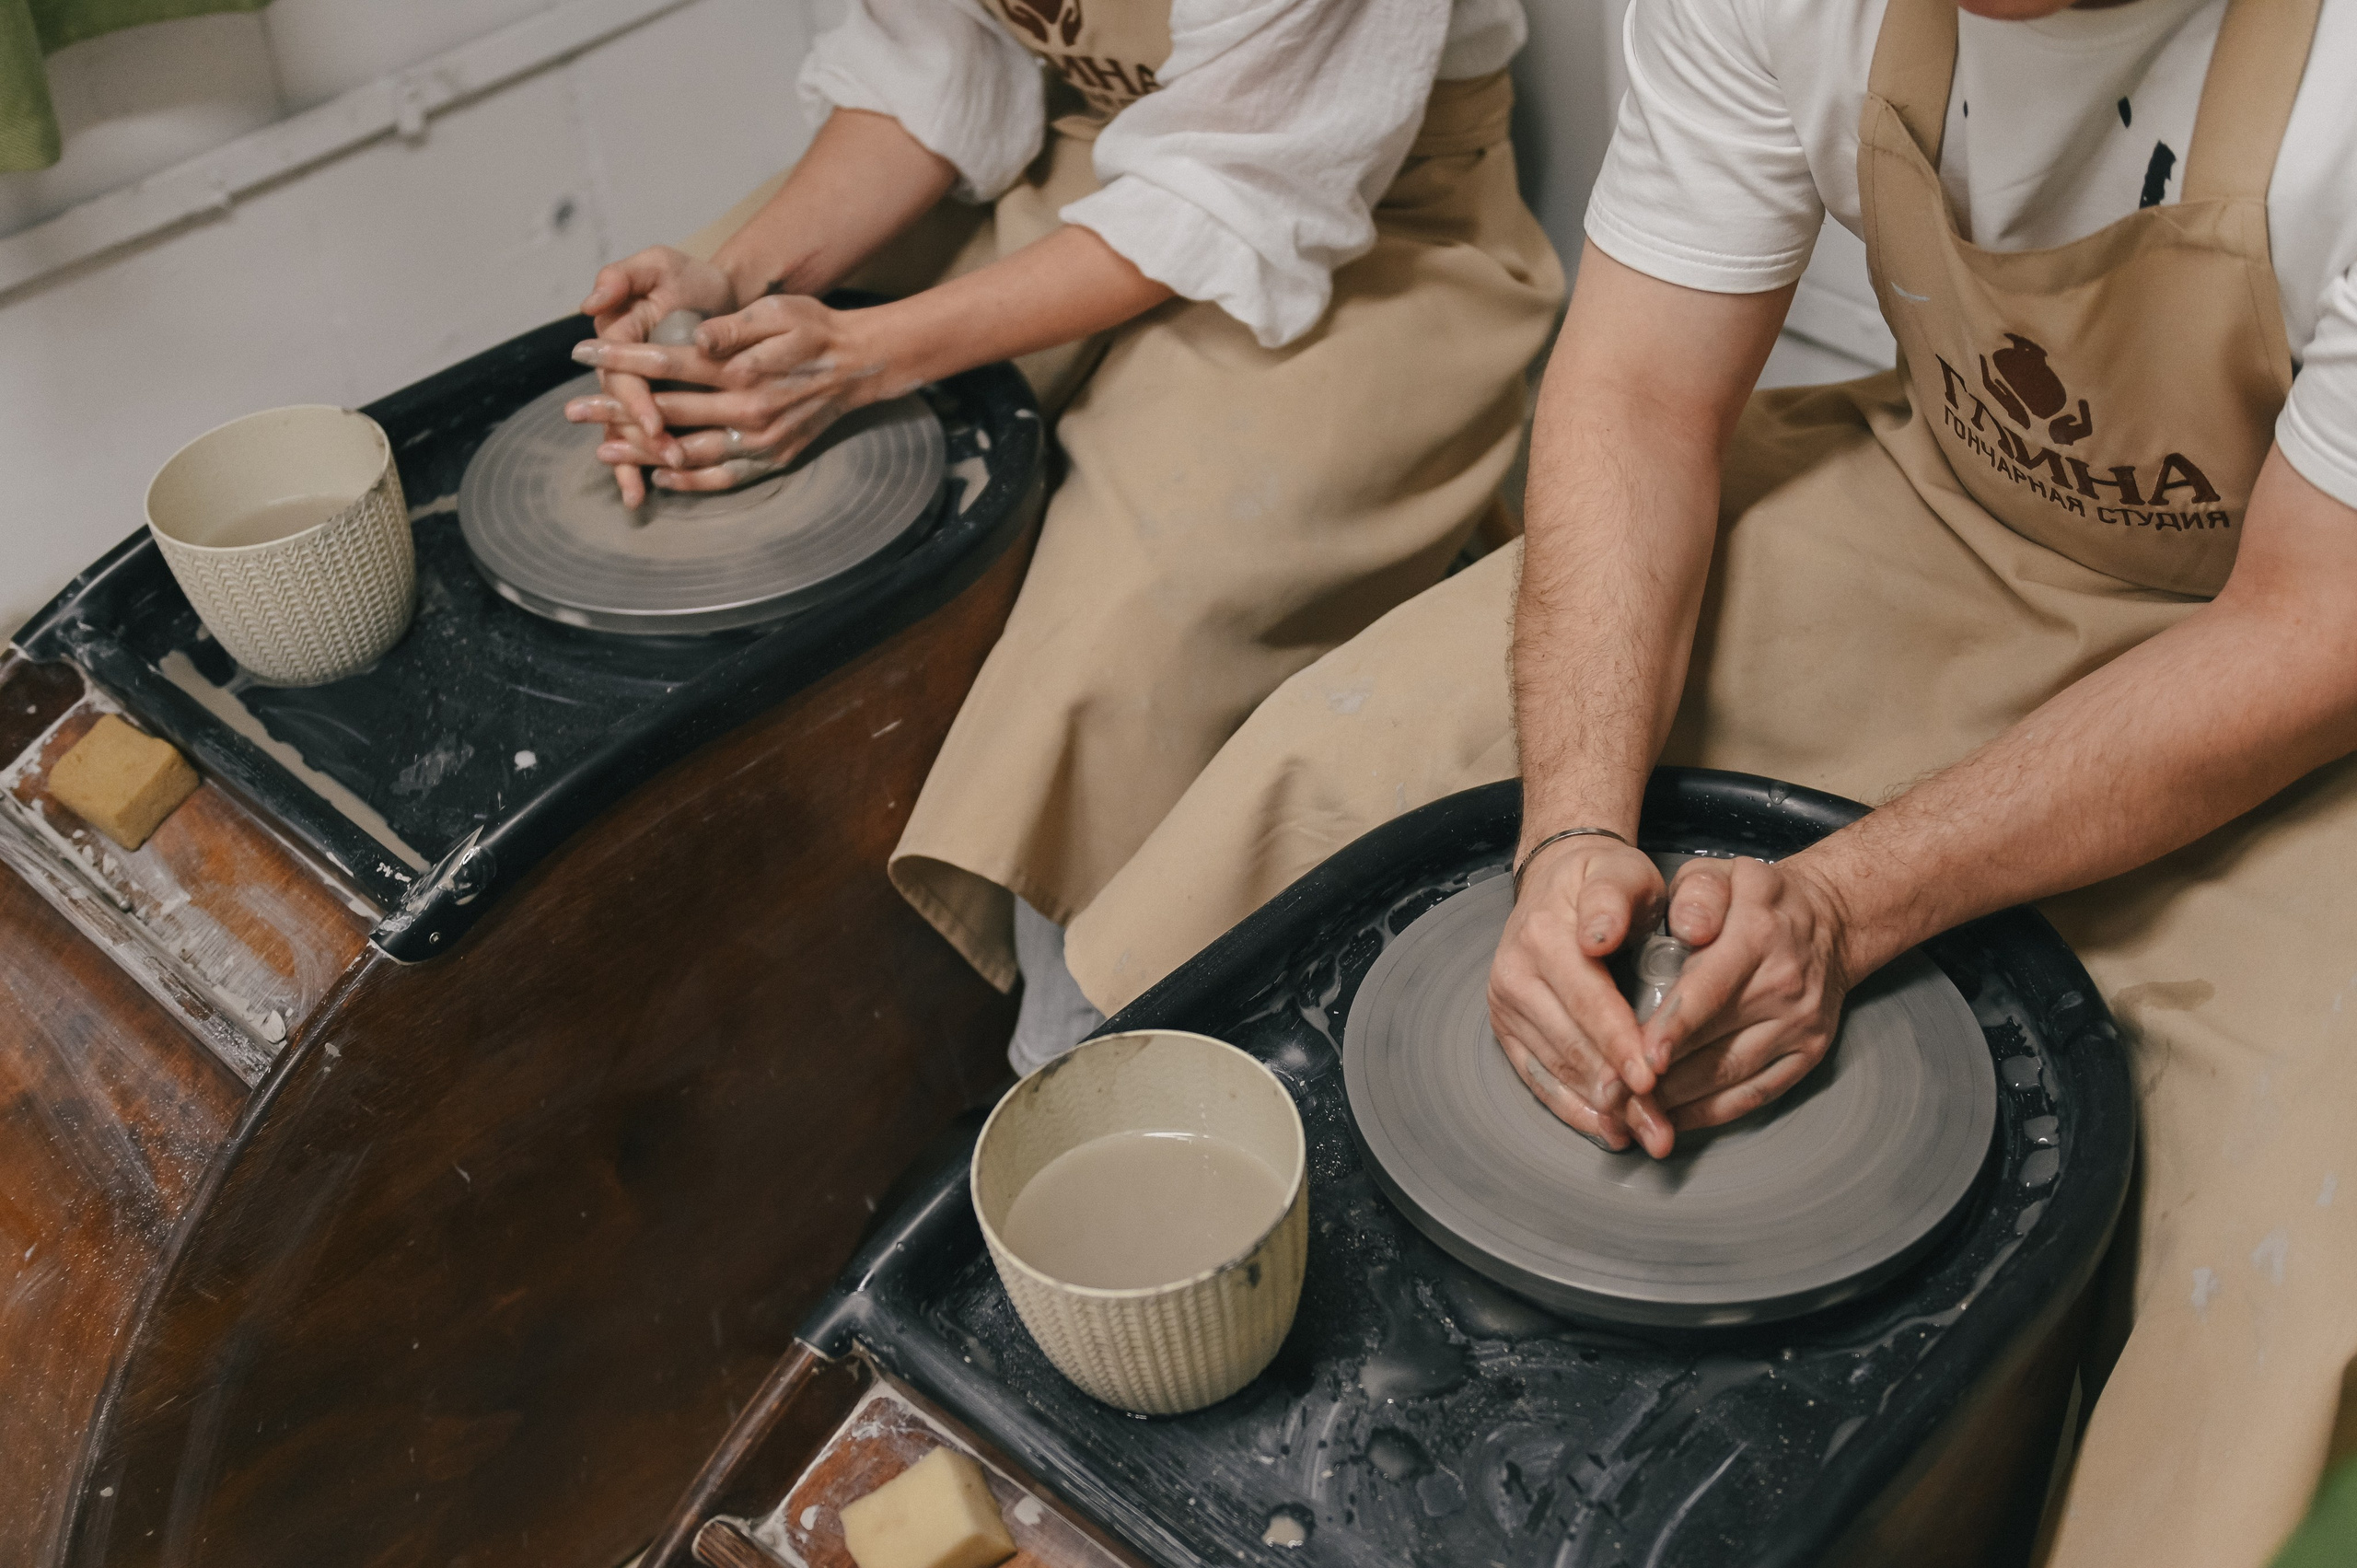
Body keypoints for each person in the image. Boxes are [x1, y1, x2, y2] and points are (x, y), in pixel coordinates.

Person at [1056, 0, 2357, 1562]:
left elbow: (2308, 625)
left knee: (2289, 1245)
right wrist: (1570, 829)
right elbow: (1638, 394)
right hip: (1944, 501)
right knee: (1346, 761)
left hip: (2291, 641)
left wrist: (1853, 897)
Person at [562, 0, 1564, 1073]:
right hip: (1084, 146)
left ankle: (1071, 1061)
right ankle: (765, 969)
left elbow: (1235, 184)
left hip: (1357, 205)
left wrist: (868, 357)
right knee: (681, 402)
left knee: (1130, 628)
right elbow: (931, 63)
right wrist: (740, 286)